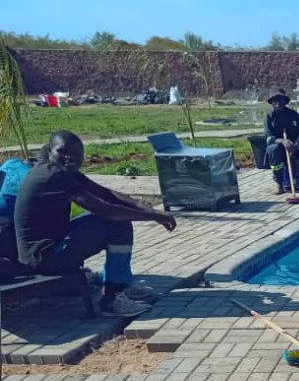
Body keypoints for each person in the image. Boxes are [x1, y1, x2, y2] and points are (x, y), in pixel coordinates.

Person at [13, 131, 177, 317]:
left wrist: (148, 209)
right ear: (50, 151)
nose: (69, 157)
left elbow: (105, 194)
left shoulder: (59, 170)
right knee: (116, 225)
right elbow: (107, 211)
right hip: (44, 258)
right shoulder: (54, 176)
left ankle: (120, 284)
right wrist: (153, 217)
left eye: (76, 154)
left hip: (45, 251)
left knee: (112, 221)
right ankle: (112, 299)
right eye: (62, 152)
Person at [264, 88, 299, 193]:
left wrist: (296, 145)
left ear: (285, 101)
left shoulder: (293, 115)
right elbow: (269, 138)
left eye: (280, 100)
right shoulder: (269, 117)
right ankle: (280, 185)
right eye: (275, 100)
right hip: (279, 148)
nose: (278, 103)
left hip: (295, 147)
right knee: (273, 149)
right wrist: (283, 141)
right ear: (272, 103)